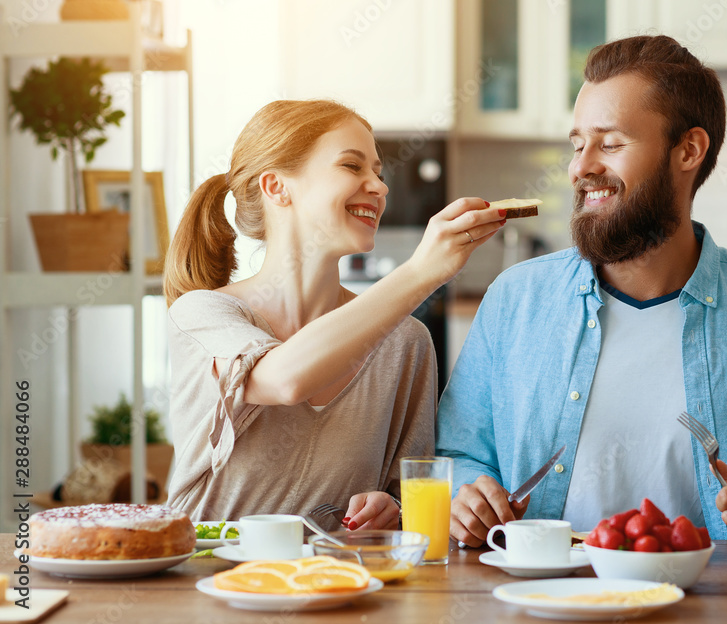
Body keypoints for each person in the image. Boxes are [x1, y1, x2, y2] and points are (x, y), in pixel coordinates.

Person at [437, 35, 727, 556]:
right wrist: (465, 496)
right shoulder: (514, 302)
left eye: (609, 143)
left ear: (688, 151)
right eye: (576, 143)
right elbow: (455, 456)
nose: (580, 167)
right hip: (546, 600)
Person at [163, 99, 505, 527]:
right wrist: (421, 272)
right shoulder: (204, 315)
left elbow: (414, 495)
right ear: (276, 187)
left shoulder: (404, 343)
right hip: (208, 580)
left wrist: (393, 510)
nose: (379, 187)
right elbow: (284, 378)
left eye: (378, 173)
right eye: (352, 166)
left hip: (341, 584)